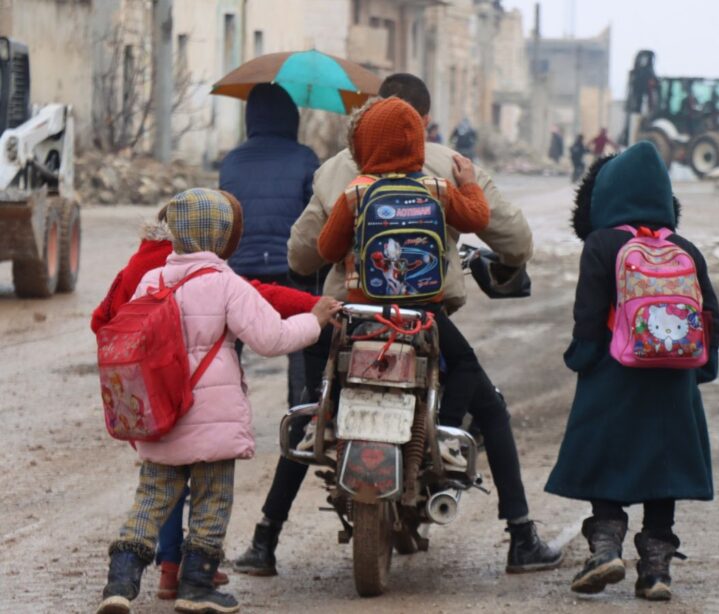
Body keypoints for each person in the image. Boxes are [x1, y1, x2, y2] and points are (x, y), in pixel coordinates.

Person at [235, 73, 547, 577]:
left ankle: (264, 540)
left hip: (351, 317)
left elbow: (304, 254)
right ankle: (522, 536)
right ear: (422, 126)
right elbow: (513, 238)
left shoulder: (343, 177)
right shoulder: (445, 174)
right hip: (423, 318)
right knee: (486, 401)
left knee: (317, 410)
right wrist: (469, 192)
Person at [95, 188, 341, 614]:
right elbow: (271, 339)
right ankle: (197, 586)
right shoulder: (226, 284)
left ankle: (120, 582)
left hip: (162, 413)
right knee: (212, 501)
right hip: (211, 419)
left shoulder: (152, 280)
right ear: (222, 233)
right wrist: (314, 320)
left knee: (151, 498)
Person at [545, 142, 719, 601]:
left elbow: (588, 315)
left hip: (613, 374)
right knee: (663, 470)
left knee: (605, 458)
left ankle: (605, 549)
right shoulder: (684, 248)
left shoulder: (603, 244)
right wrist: (701, 372)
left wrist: (582, 358)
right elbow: (711, 317)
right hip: (674, 380)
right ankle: (657, 568)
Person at [219, 82, 321, 409]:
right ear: (291, 119)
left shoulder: (231, 162)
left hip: (240, 274)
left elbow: (225, 218)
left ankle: (225, 408)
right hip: (290, 271)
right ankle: (301, 415)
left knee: (226, 349)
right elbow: (314, 219)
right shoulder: (306, 158)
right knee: (303, 343)